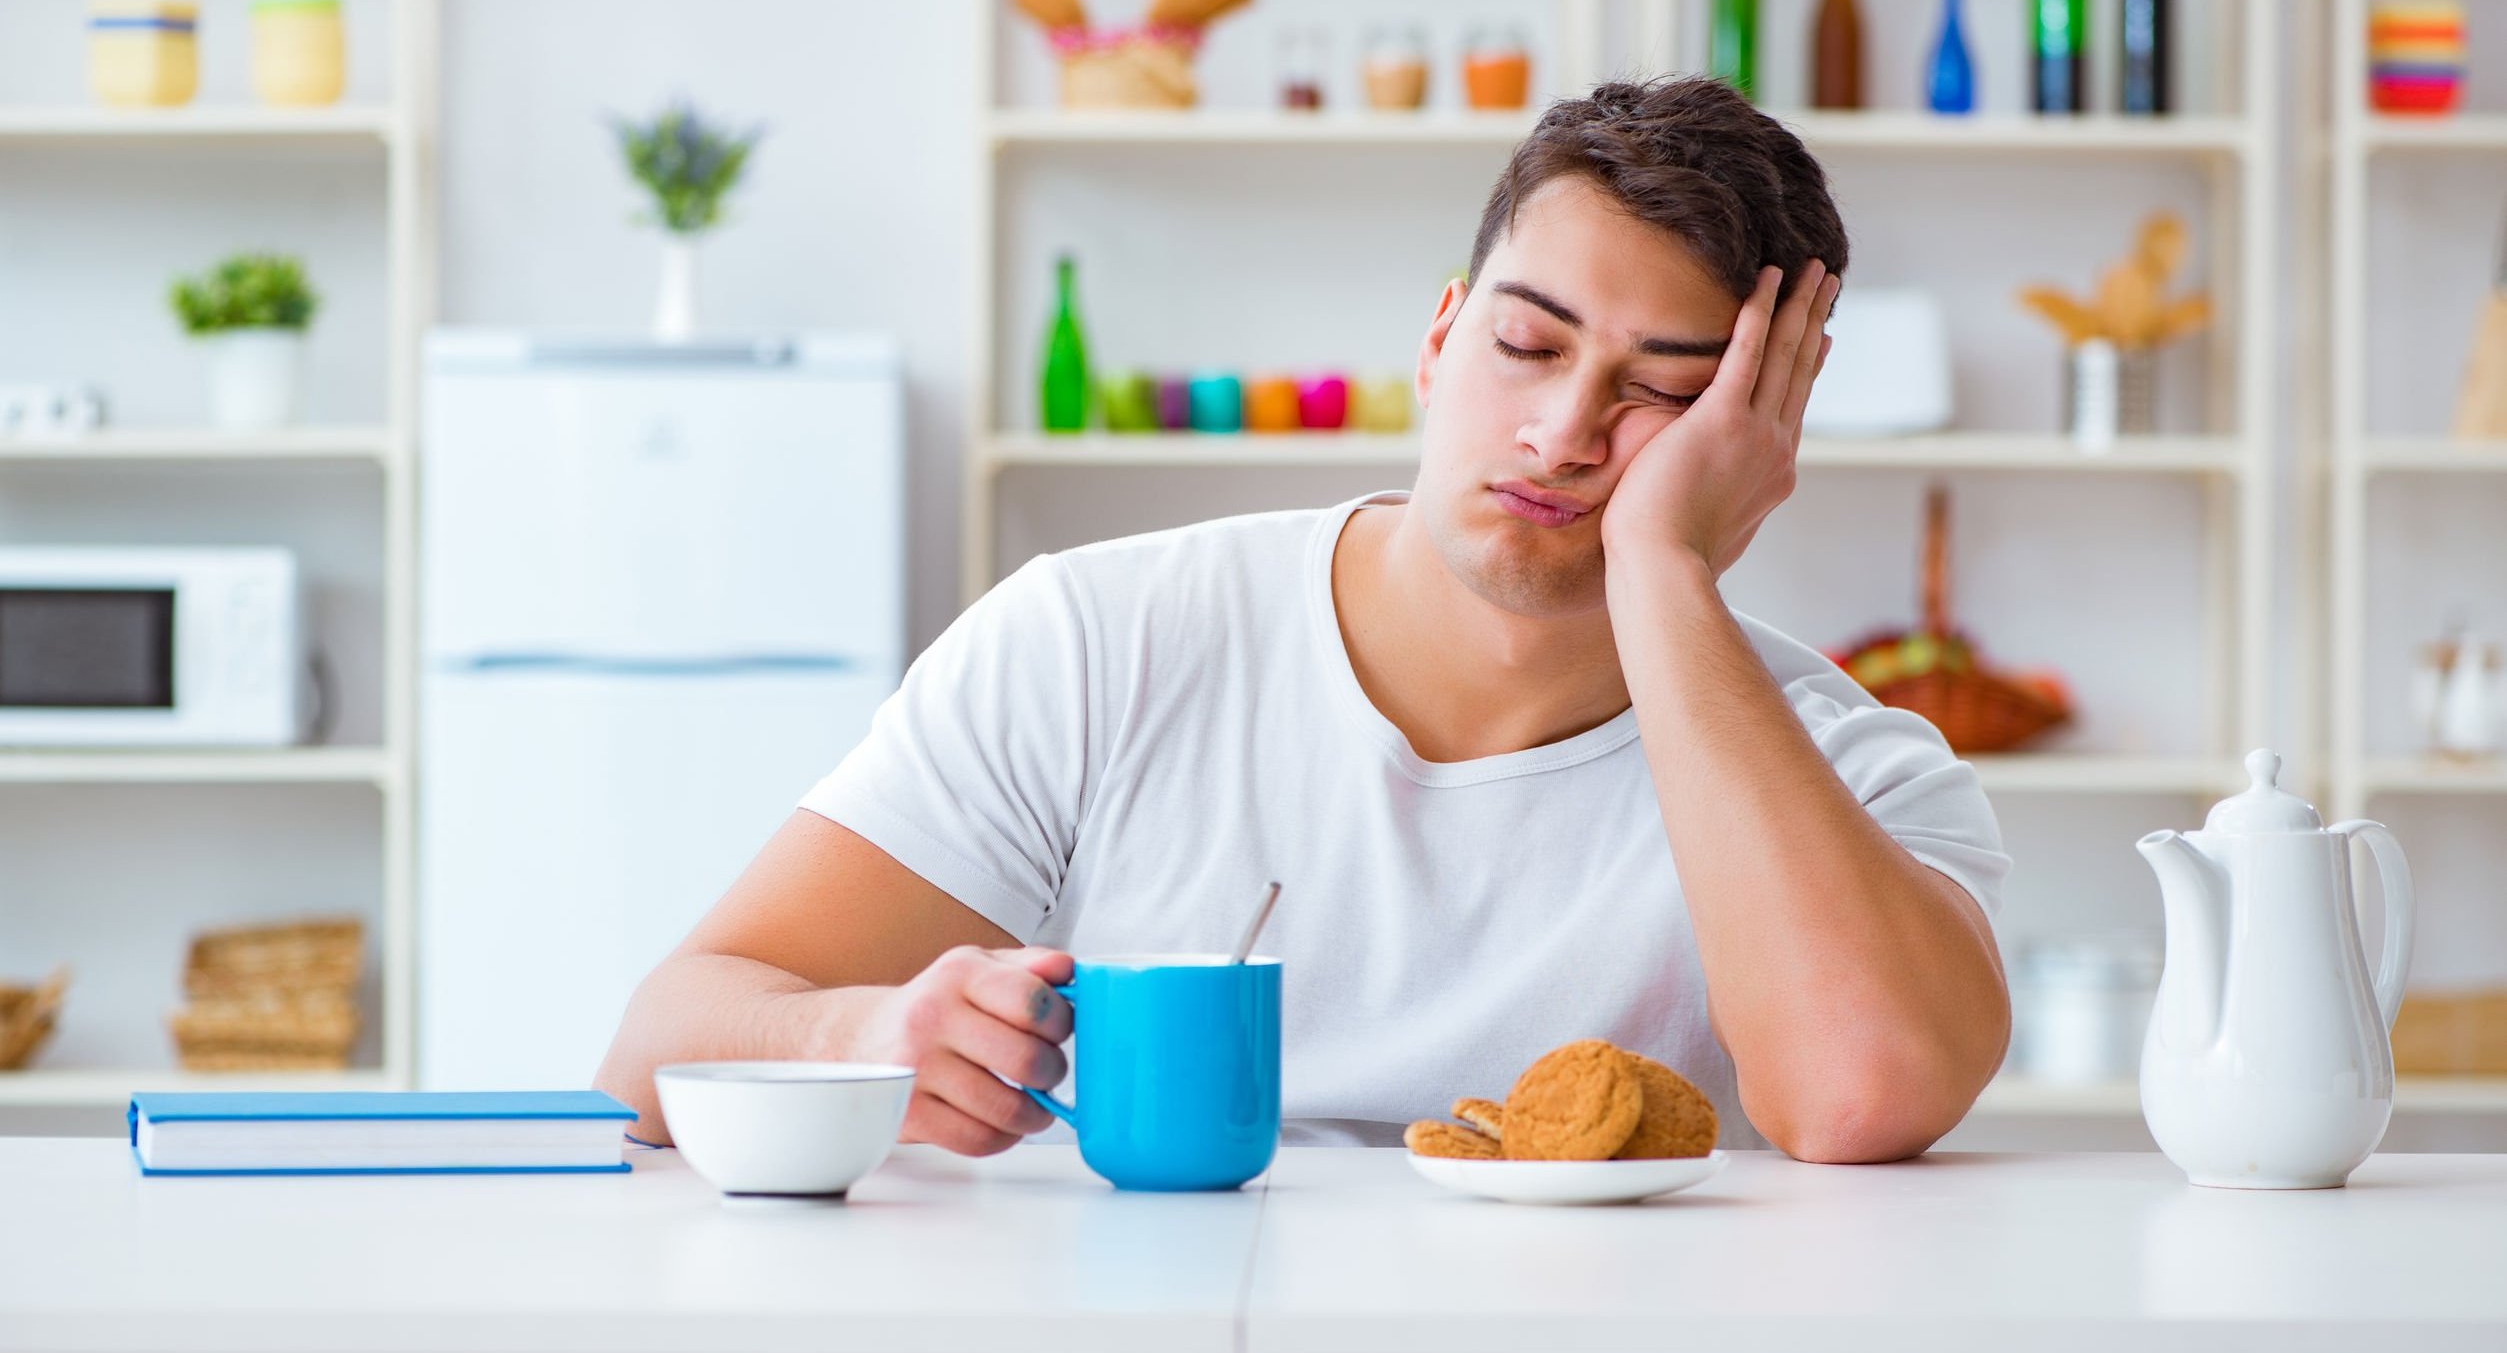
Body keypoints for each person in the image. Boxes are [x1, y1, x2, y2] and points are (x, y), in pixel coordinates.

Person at [595, 76, 2011, 1162]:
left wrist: (1663, 570)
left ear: (1758, 436)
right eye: (1526, 345)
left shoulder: (1856, 775)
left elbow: (1856, 1096)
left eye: (1659, 392)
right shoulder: (1101, 640)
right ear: (1442, 335)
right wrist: (859, 1033)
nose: (1563, 428)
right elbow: (656, 1046)